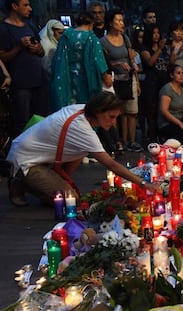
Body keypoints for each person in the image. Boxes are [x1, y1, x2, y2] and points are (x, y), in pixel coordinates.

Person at [6, 91, 159, 206]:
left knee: (80, 154)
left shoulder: (82, 110)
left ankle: (49, 185)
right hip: (25, 161)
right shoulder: (82, 128)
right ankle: (20, 181)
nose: (113, 123)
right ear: (98, 111)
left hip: (35, 154)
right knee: (71, 200)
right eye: (111, 117)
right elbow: (111, 164)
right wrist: (144, 184)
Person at [0, 0, 48, 137]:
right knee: (22, 121)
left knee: (40, 119)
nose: (30, 8)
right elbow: (2, 57)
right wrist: (18, 47)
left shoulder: (30, 26)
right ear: (14, 6)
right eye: (25, 5)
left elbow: (42, 52)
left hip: (38, 80)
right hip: (20, 84)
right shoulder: (4, 29)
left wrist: (37, 49)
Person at [50, 11, 112, 111]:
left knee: (70, 108)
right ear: (91, 24)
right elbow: (98, 61)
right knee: (85, 108)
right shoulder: (91, 38)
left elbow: (58, 58)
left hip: (67, 77)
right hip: (85, 79)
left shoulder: (66, 36)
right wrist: (105, 77)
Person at [100, 9, 143, 152]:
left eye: (122, 20)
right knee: (118, 112)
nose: (121, 23)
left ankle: (132, 141)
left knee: (131, 111)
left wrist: (135, 75)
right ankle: (119, 141)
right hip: (114, 80)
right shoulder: (103, 41)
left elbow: (131, 59)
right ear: (110, 23)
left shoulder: (125, 38)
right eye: (118, 20)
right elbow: (103, 63)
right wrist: (117, 64)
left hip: (129, 79)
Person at [140, 24, 169, 143]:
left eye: (158, 33)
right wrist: (159, 49)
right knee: (151, 112)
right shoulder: (145, 48)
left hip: (163, 82)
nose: (156, 36)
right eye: (154, 33)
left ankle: (163, 136)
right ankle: (152, 138)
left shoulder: (164, 49)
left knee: (162, 111)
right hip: (151, 83)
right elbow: (150, 62)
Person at [158, 64, 183, 149]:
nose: (181, 75)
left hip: (180, 119)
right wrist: (180, 124)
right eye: (178, 73)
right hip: (168, 123)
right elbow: (164, 110)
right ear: (172, 75)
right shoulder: (167, 89)